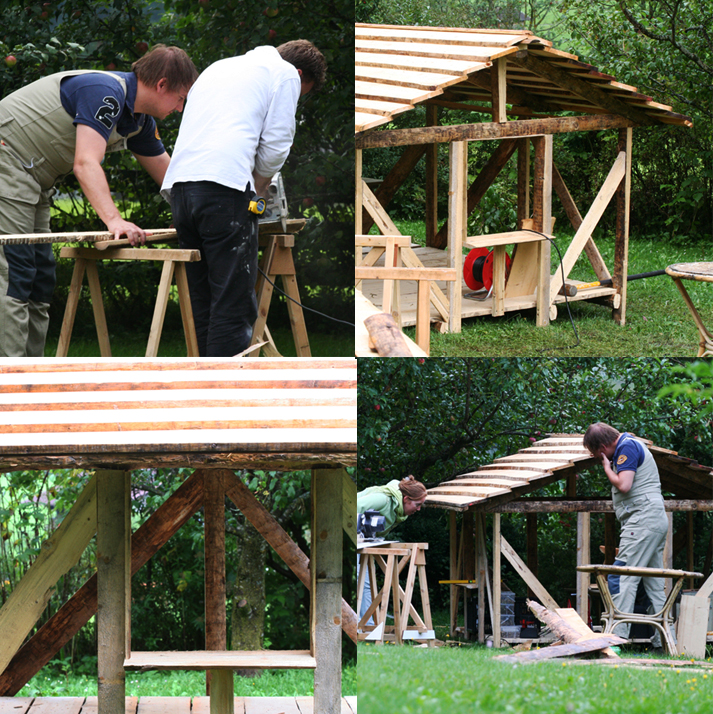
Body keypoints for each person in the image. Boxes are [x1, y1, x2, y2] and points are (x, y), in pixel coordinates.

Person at [0, 45, 198, 357]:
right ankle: (10, 377)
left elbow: (170, 179)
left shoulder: (140, 121)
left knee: (40, 274)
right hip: (6, 161)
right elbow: (85, 163)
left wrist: (192, 215)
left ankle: (32, 373)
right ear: (161, 85)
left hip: (31, 179)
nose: (180, 108)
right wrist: (114, 220)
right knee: (16, 270)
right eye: (180, 98)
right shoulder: (104, 93)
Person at [161, 40, 327, 357]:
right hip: (222, 190)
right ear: (300, 73)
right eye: (301, 93)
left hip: (181, 190)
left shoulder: (219, 67)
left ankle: (204, 388)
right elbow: (277, 143)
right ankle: (225, 395)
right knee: (231, 303)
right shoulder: (285, 73)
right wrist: (260, 188)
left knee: (203, 299)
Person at [583, 422, 668, 645]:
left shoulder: (626, 448)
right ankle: (666, 643)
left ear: (602, 447)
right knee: (653, 584)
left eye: (596, 454)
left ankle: (616, 640)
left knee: (620, 576)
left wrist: (607, 469)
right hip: (653, 520)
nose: (598, 458)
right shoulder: (631, 443)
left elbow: (624, 485)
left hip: (643, 521)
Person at [356, 475, 427, 626]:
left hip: (364, 542)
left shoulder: (400, 512)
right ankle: (366, 626)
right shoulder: (383, 499)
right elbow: (351, 507)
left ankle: (366, 624)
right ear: (406, 499)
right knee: (364, 580)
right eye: (418, 504)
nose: (419, 509)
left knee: (367, 580)